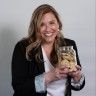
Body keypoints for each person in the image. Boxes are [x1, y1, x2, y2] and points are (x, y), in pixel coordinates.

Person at [11, 4, 85, 96]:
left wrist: (77, 77)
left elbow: (78, 85)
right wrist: (49, 76)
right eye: (42, 24)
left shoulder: (69, 45)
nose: (47, 29)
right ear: (36, 28)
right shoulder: (23, 48)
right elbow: (19, 88)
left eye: (51, 23)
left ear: (58, 24)